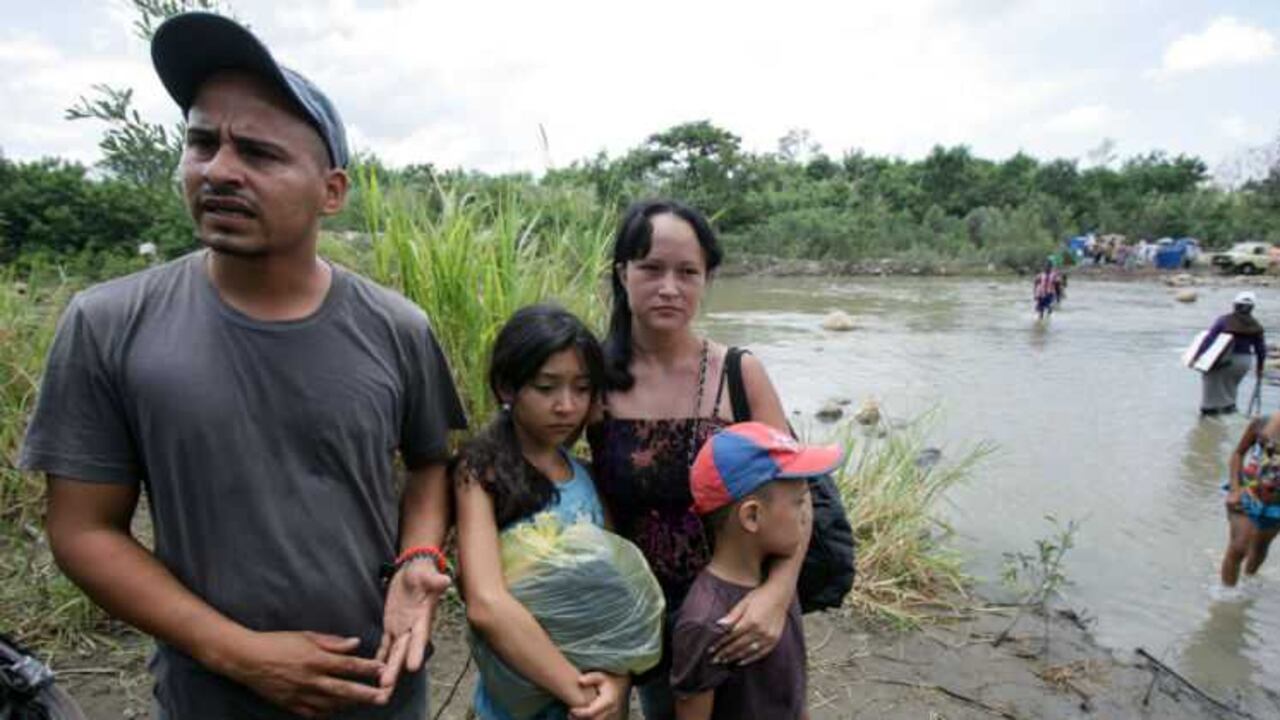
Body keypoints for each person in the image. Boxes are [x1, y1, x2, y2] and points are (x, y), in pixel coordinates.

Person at [18, 13, 467, 719]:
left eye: (259, 153)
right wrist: (236, 652)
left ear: (332, 191)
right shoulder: (108, 323)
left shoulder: (396, 328)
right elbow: (83, 528)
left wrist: (418, 559)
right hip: (210, 697)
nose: (219, 170)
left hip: (380, 687)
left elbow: (430, 463)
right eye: (201, 142)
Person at [586, 200, 803, 719]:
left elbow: (798, 495)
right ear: (623, 273)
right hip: (649, 617)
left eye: (688, 272)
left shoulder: (738, 373)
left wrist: (777, 594)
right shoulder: (595, 381)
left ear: (706, 279)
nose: (669, 287)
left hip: (742, 612)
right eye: (651, 268)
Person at [453, 305, 638, 720]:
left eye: (582, 388)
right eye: (546, 386)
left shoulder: (587, 476)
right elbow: (486, 602)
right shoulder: (480, 475)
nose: (566, 405)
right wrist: (579, 694)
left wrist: (618, 679)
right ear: (506, 386)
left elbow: (617, 592)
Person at [671, 422, 843, 720]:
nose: (807, 514)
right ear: (752, 516)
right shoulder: (705, 622)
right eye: (799, 501)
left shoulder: (777, 584)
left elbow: (792, 690)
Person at [1220, 412, 1280, 587]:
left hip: (1276, 505)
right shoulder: (1263, 422)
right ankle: (1226, 597)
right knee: (1239, 547)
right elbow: (1238, 453)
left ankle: (1247, 583)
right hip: (1248, 493)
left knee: (1261, 548)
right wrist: (1234, 489)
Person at [1195, 292, 1266, 416]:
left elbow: (1209, 339)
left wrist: (1198, 356)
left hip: (1225, 359)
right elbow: (1261, 349)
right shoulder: (1256, 325)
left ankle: (1209, 414)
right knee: (1231, 387)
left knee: (1211, 384)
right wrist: (1260, 368)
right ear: (1252, 307)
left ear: (1235, 305)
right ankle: (1229, 409)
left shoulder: (1224, 320)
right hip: (1244, 362)